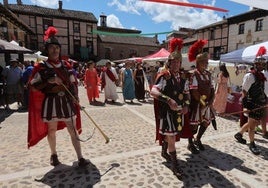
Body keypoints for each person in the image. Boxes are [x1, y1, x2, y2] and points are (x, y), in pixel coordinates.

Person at [28, 26, 89, 167]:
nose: (55, 50)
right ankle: (54, 155)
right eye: (52, 48)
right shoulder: (42, 67)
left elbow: (73, 83)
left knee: (72, 130)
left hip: (67, 102)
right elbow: (32, 85)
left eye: (57, 47)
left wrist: (75, 96)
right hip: (51, 103)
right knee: (52, 130)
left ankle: (80, 157)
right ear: (47, 50)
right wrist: (48, 81)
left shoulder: (66, 66)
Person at [151, 38, 192, 178]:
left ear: (180, 63)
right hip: (167, 113)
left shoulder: (183, 79)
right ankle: (175, 166)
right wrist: (167, 100)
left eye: (178, 62)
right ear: (169, 63)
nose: (176, 64)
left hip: (178, 113)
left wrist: (186, 105)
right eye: (173, 61)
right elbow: (153, 91)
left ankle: (164, 150)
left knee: (172, 136)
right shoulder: (164, 77)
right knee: (172, 138)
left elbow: (187, 94)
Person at [234, 54, 267, 155]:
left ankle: (239, 134)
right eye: (259, 64)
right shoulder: (250, 75)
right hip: (252, 104)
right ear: (255, 64)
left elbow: (262, 90)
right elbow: (244, 92)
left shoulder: (262, 75)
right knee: (252, 126)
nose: (261, 66)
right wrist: (244, 106)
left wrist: (265, 101)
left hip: (260, 103)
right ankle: (252, 144)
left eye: (263, 64)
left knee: (254, 123)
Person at [187, 39, 215, 154]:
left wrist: (211, 100)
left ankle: (198, 139)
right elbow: (194, 91)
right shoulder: (194, 74)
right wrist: (203, 102)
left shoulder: (208, 74)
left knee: (205, 123)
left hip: (207, 104)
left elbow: (212, 88)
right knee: (193, 126)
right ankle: (190, 142)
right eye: (204, 62)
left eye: (207, 62)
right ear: (198, 63)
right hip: (196, 104)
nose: (206, 64)